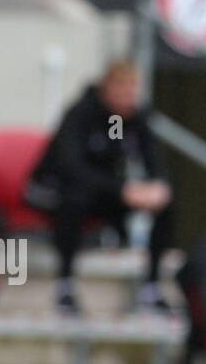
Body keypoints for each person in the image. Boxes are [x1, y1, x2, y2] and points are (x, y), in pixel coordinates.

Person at [26, 60, 173, 315]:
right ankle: (65, 286)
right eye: (123, 91)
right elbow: (71, 167)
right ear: (108, 88)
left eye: (132, 91)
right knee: (76, 199)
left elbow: (152, 159)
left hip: (106, 191)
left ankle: (150, 287)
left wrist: (157, 187)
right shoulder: (81, 113)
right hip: (58, 188)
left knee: (165, 205)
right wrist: (122, 190)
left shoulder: (134, 119)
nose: (129, 98)